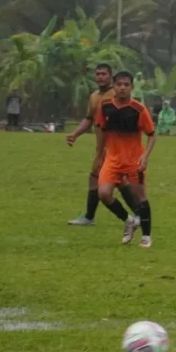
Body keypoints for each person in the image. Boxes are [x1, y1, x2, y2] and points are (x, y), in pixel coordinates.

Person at [66, 64, 139, 226]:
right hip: (101, 148)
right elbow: (89, 119)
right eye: (98, 74)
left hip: (114, 148)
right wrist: (75, 134)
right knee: (103, 179)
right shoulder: (94, 96)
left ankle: (92, 217)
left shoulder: (116, 95)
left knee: (109, 180)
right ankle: (91, 217)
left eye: (104, 74)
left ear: (110, 77)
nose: (100, 77)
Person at [94, 71, 156, 249]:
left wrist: (145, 156)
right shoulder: (105, 106)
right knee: (104, 194)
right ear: (113, 86)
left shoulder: (138, 109)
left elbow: (152, 135)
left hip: (134, 161)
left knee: (140, 197)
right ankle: (129, 221)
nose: (122, 88)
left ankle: (146, 236)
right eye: (119, 84)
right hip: (112, 160)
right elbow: (102, 131)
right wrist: (99, 155)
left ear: (132, 87)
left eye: (126, 85)